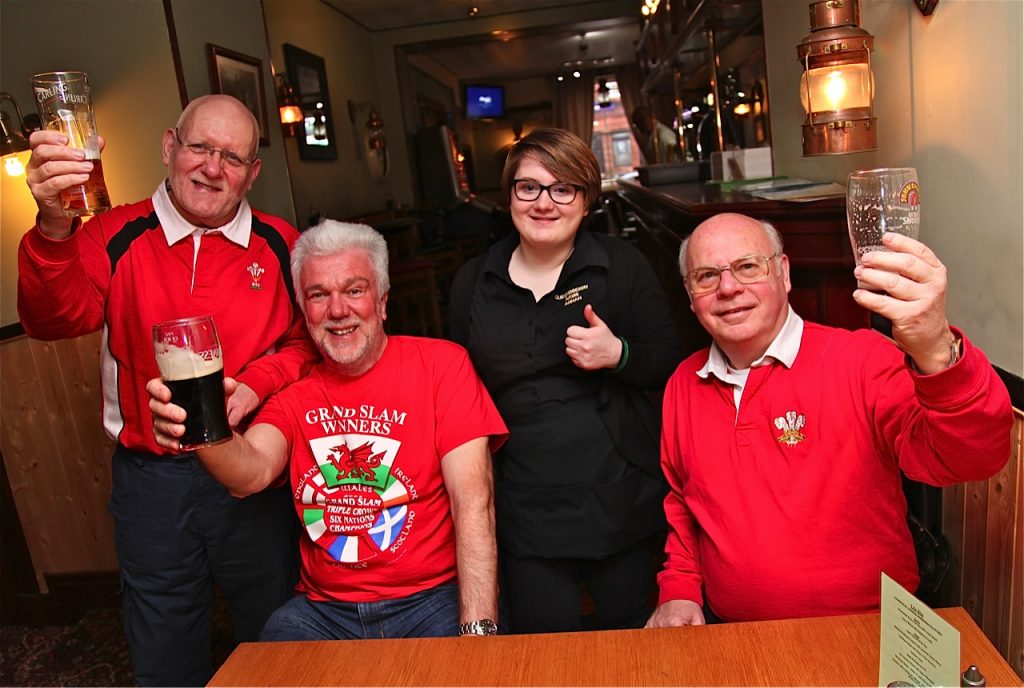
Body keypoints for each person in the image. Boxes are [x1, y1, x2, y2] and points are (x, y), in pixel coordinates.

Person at [18, 94, 317, 685]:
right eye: (201, 147)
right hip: (152, 482)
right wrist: (54, 224)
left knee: (278, 634)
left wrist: (256, 385)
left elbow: (308, 344)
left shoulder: (282, 243)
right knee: (163, 646)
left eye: (232, 157)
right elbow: (51, 321)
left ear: (252, 173)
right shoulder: (111, 233)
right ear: (169, 147)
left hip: (253, 472)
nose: (212, 167)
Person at [149, 220, 508, 641]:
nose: (338, 310)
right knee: (268, 658)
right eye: (319, 295)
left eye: (354, 290)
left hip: (431, 599)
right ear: (305, 310)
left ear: (383, 301)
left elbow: (474, 503)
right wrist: (199, 427)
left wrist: (478, 631)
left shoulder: (442, 367)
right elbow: (250, 472)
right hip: (325, 612)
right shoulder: (294, 396)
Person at [648, 212, 1012, 627]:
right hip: (735, 636)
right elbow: (684, 502)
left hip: (871, 629)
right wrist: (679, 587)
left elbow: (972, 457)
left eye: (748, 267)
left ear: (783, 273)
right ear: (690, 294)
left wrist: (935, 347)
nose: (728, 288)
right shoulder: (684, 383)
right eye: (707, 276)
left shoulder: (862, 361)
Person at [449, 128, 683, 633]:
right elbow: (456, 387)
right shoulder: (474, 281)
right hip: (521, 505)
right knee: (543, 653)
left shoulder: (621, 266)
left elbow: (669, 358)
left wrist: (619, 354)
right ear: (509, 195)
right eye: (528, 187)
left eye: (563, 189)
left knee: (633, 648)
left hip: (617, 497)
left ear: (586, 199)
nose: (544, 203)